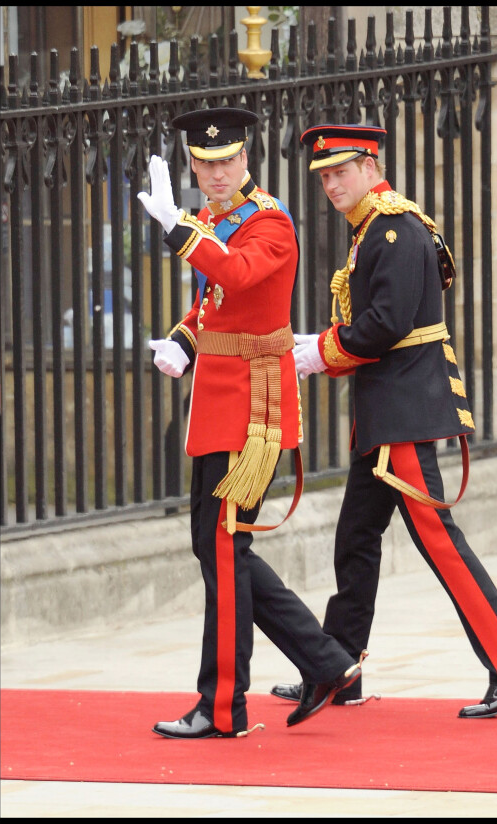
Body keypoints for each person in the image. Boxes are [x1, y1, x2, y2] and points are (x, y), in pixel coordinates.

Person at [270, 123, 497, 719]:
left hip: (403, 416)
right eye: (323, 176)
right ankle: (337, 668)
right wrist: (319, 345)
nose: (330, 184)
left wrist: (317, 353)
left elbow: (384, 324)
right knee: (355, 541)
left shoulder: (394, 229)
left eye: (340, 172)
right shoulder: (374, 229)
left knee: (440, 545)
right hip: (384, 415)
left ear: (371, 167)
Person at [137, 107, 365, 740]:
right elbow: (218, 300)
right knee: (216, 546)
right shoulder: (216, 219)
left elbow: (236, 272)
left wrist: (178, 226)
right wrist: (185, 339)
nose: (215, 172)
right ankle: (325, 662)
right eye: (204, 163)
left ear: (246, 158)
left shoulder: (268, 220)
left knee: (223, 548)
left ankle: (222, 705)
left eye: (226, 160)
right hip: (219, 399)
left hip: (254, 410)